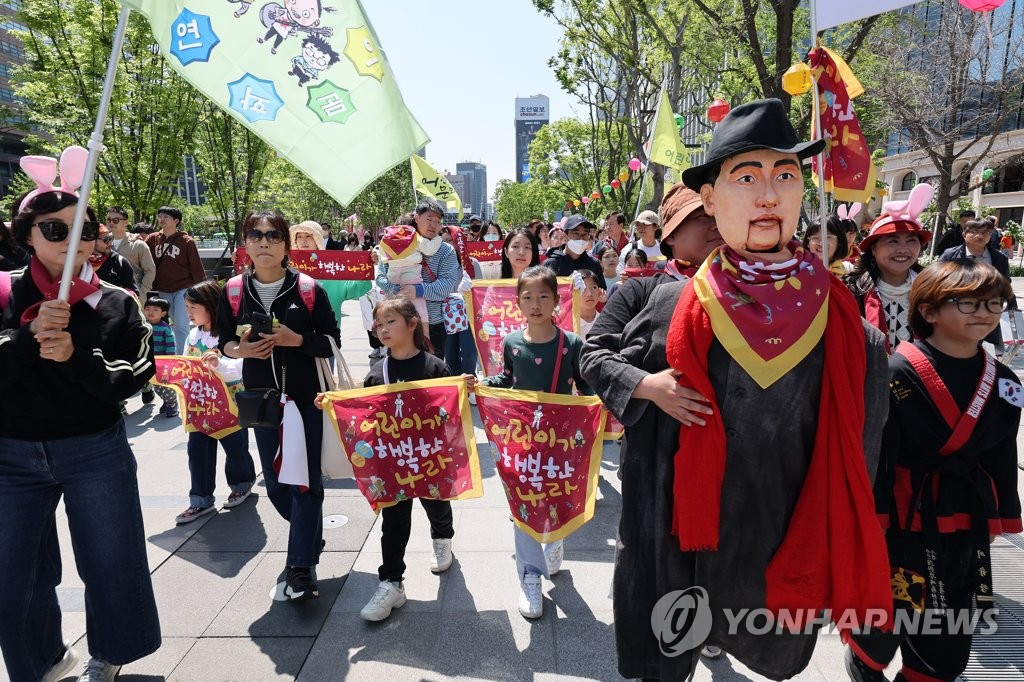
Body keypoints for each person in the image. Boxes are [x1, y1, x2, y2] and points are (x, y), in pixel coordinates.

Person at [581, 99, 891, 681]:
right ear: (711, 200)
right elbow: (594, 357)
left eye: (785, 177)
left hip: (770, 529)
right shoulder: (667, 303)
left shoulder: (847, 328)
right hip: (676, 529)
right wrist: (645, 386)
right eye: (746, 179)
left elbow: (861, 454)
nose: (768, 196)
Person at [0, 183, 160, 681]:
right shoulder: (3, 291)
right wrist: (26, 340)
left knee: (112, 559)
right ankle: (41, 660)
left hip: (95, 449)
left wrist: (79, 359)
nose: (73, 241)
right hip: (10, 453)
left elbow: (137, 372)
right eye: (55, 229)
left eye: (84, 230)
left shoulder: (116, 300)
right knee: (12, 575)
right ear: (25, 234)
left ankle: (111, 652)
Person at [845, 259, 1021, 682]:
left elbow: (1000, 454)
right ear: (928, 311)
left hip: (963, 512)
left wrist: (1001, 514)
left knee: (951, 613)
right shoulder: (894, 372)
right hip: (905, 513)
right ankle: (867, 659)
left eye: (994, 301)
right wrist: (876, 516)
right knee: (893, 601)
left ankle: (928, 669)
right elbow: (880, 454)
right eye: (968, 303)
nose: (985, 311)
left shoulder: (1004, 381)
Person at [217, 211, 340, 602]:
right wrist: (241, 349)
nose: (264, 241)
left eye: (273, 235)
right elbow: (223, 341)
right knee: (274, 484)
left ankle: (301, 567)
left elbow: (330, 341)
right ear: (246, 243)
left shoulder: (308, 289)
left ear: (286, 245)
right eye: (256, 234)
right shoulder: (234, 290)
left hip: (305, 401)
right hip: (261, 403)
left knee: (305, 482)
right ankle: (309, 536)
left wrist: (296, 340)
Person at [333, 296, 468, 621]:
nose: (383, 328)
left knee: (436, 505)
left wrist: (461, 388)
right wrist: (335, 402)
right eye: (379, 323)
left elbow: (447, 412)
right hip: (393, 463)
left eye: (391, 321)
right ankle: (391, 582)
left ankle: (442, 538)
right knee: (393, 522)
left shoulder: (435, 367)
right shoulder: (379, 371)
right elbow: (366, 411)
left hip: (428, 458)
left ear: (412, 324)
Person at [480, 266, 591, 619]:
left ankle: (555, 537)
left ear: (557, 301)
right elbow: (507, 379)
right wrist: (482, 384)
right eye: (527, 297)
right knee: (522, 503)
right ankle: (529, 576)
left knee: (556, 494)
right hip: (521, 438)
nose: (536, 304)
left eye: (544, 296)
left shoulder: (572, 342)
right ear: (517, 303)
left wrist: (602, 408)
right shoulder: (512, 342)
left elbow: (585, 389)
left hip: (559, 440)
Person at [174, 280, 256, 524]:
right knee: (197, 449)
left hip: (229, 401)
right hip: (200, 403)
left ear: (211, 306)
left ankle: (242, 483)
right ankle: (200, 500)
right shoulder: (193, 334)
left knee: (235, 446)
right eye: (187, 307)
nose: (188, 312)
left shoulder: (234, 333)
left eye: (193, 307)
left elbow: (242, 367)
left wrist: (218, 364)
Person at [845, 184, 933, 354]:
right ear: (873, 248)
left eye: (911, 241)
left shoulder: (932, 287)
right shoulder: (853, 289)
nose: (903, 249)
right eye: (892, 241)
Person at [375, 199, 460, 359]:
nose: (433, 225)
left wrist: (417, 290)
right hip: (397, 322)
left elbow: (447, 285)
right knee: (399, 374)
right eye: (429, 219)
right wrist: (395, 291)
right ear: (417, 218)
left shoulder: (446, 250)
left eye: (438, 221)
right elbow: (380, 276)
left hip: (433, 324)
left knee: (431, 373)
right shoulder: (395, 244)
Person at [939, 218, 1014, 355]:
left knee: (976, 341)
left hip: (985, 309)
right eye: (974, 232)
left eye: (985, 232)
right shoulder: (950, 255)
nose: (980, 236)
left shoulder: (998, 258)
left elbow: (1005, 283)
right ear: (964, 234)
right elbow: (938, 280)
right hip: (957, 308)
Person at [146, 206, 207, 354]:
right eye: (160, 216)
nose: (161, 219)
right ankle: (176, 351)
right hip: (163, 288)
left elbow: (196, 267)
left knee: (181, 324)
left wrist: (202, 289)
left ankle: (182, 356)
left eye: (166, 217)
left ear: (176, 221)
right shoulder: (153, 239)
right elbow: (141, 252)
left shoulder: (187, 241)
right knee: (172, 322)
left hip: (183, 288)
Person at [442, 226, 480, 377]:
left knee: (469, 353)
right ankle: (456, 386)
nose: (446, 245)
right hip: (447, 314)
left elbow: (481, 290)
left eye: (449, 240)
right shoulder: (441, 264)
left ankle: (471, 382)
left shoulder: (472, 263)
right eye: (443, 241)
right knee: (450, 353)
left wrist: (470, 288)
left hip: (468, 314)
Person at [543, 215, 605, 289]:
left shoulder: (594, 264)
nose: (581, 238)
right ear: (565, 236)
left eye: (585, 234)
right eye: (576, 233)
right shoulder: (550, 265)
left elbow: (601, 291)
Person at [107, 206, 155, 298]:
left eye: (115, 220)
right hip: (109, 295)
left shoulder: (138, 244)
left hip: (134, 295)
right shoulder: (101, 242)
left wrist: (143, 292)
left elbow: (150, 271)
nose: (111, 223)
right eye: (109, 220)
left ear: (126, 222)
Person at [142, 296, 179, 415]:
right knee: (157, 385)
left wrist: (170, 361)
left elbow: (171, 346)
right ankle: (166, 401)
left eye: (155, 309)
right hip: (149, 361)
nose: (150, 312)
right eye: (147, 309)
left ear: (163, 313)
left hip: (164, 362)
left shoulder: (165, 329)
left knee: (166, 384)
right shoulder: (142, 326)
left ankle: (172, 404)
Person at [90, 223, 138, 293]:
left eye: (111, 238)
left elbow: (132, 293)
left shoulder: (120, 262)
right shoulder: (80, 262)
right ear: (93, 241)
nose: (110, 243)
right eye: (106, 240)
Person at [576, 269, 604, 338]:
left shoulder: (606, 321)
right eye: (582, 289)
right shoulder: (569, 325)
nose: (589, 294)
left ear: (599, 291)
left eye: (594, 287)